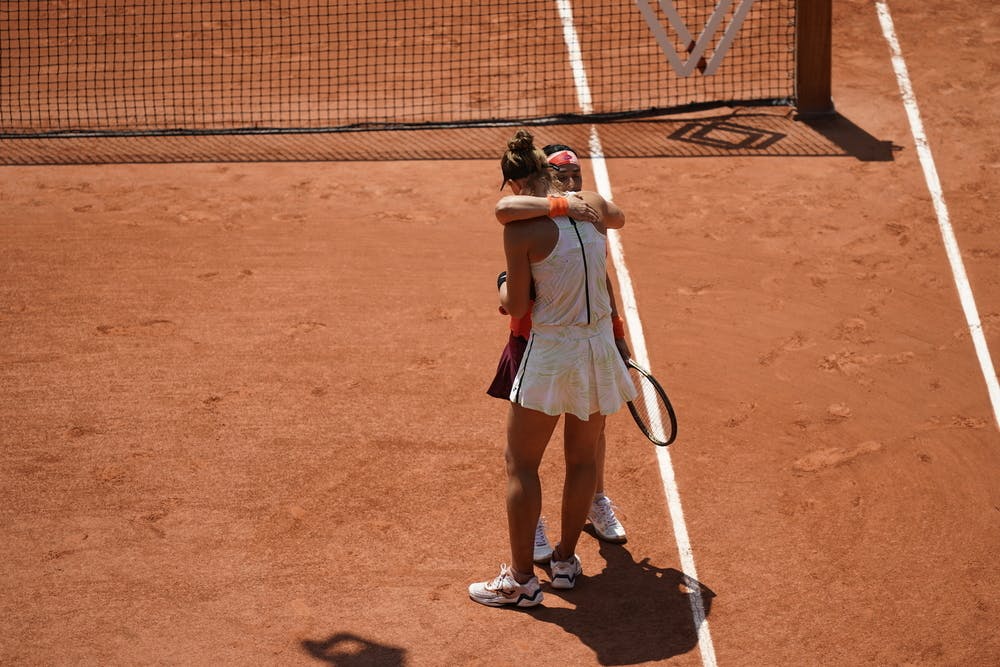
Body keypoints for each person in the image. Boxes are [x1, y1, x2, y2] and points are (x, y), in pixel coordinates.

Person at [468, 130, 637, 608]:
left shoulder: (520, 228)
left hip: (551, 354)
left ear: (518, 181)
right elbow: (617, 216)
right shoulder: (593, 207)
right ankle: (564, 560)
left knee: (521, 464)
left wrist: (502, 285)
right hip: (598, 349)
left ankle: (522, 581)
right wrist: (578, 203)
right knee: (584, 460)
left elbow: (517, 303)